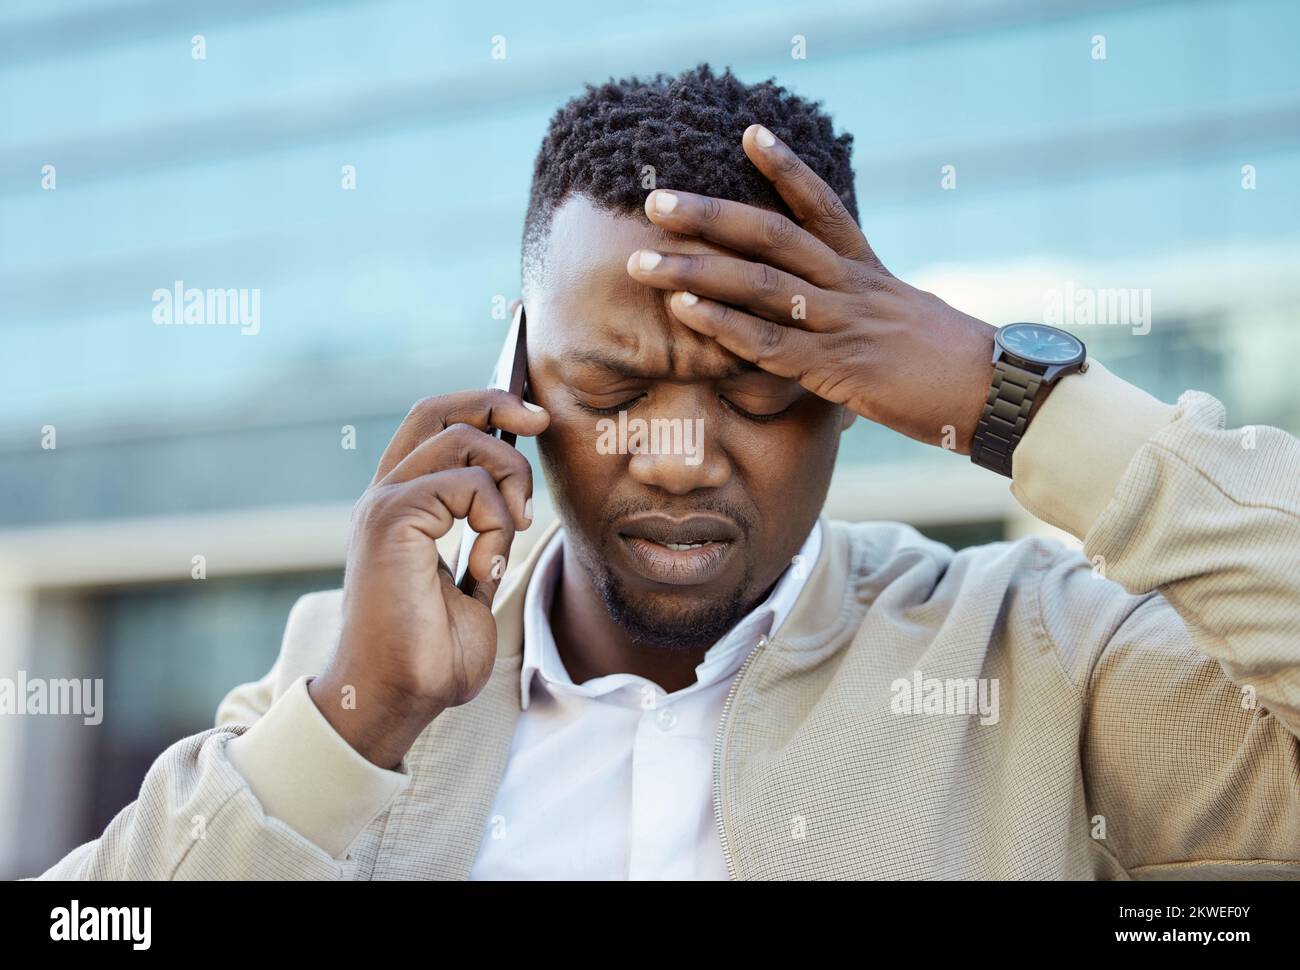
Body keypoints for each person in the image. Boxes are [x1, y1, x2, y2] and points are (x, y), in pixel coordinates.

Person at [37, 65, 1299, 880]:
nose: (682, 457)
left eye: (760, 390)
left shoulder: (1038, 659)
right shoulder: (358, 665)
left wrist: (1006, 394)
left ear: (855, 397)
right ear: (517, 377)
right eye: (614, 391)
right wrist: (356, 721)